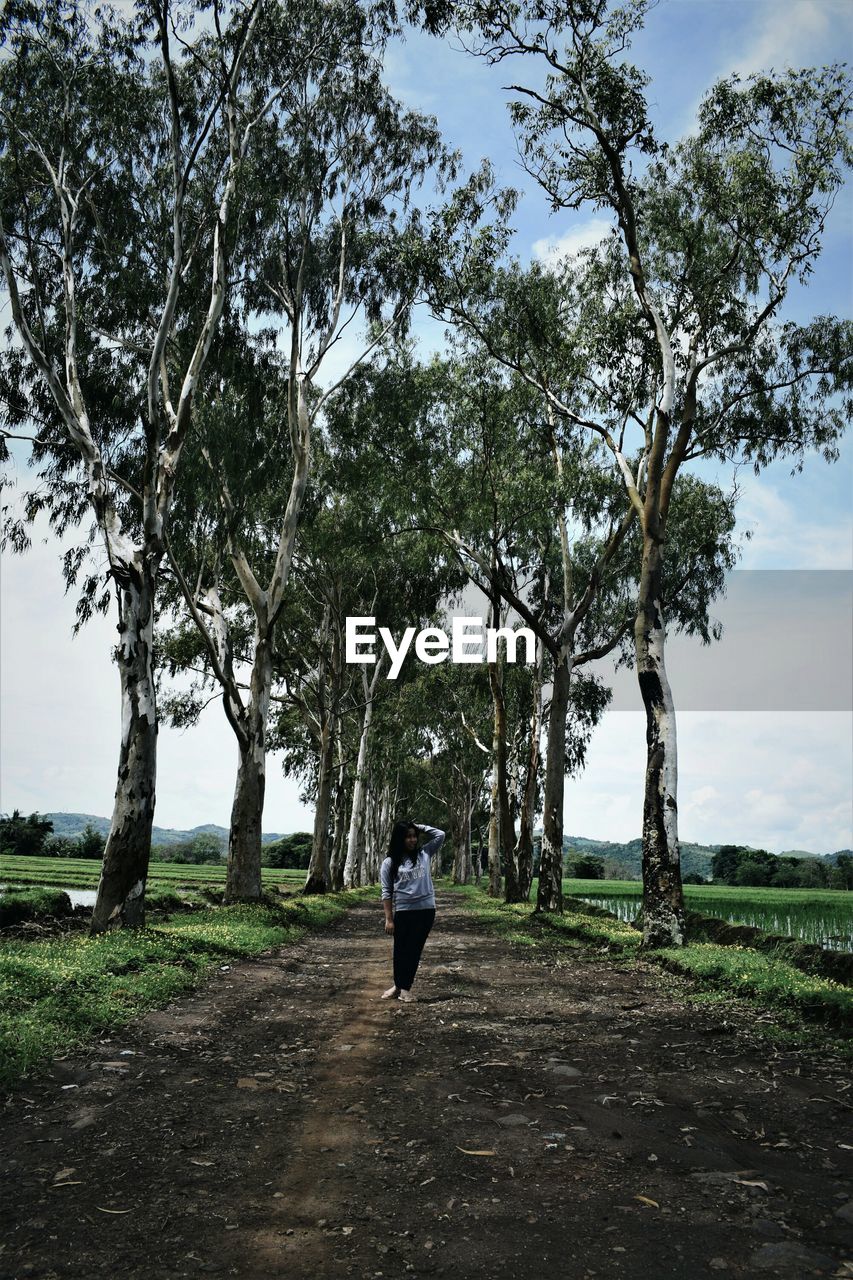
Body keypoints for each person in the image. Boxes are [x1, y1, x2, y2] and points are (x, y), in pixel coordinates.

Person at [380, 819, 445, 1003]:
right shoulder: (389, 863)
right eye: (408, 836)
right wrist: (389, 919)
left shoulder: (425, 853)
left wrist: (420, 826)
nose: (412, 840)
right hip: (403, 912)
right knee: (400, 951)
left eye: (414, 836)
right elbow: (386, 892)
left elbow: (441, 834)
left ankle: (405, 988)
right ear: (399, 838)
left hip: (425, 911)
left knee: (414, 951)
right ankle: (398, 986)